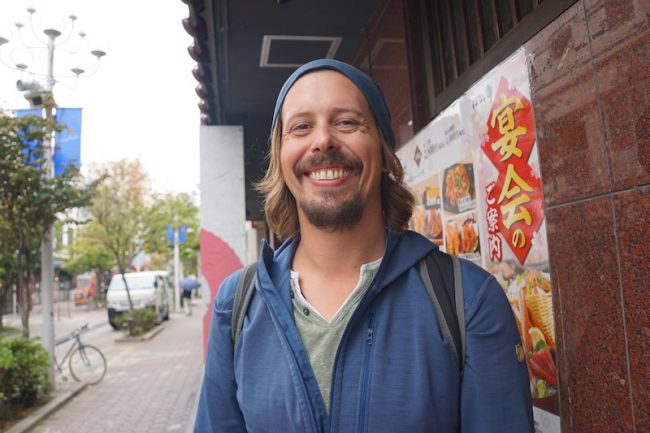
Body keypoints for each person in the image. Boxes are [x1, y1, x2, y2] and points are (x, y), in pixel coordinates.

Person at [194, 59, 534, 433]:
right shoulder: (237, 305)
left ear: (384, 151)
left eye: (346, 122)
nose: (322, 140)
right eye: (301, 127)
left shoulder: (468, 302)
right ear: (280, 159)